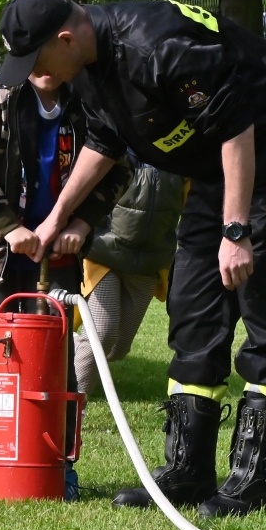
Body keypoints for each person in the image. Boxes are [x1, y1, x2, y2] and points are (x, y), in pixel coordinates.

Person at [0, 0, 266, 518]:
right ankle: (187, 472)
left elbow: (237, 129)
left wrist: (236, 232)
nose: (37, 73)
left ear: (65, 38)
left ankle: (249, 482)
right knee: (193, 308)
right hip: (211, 171)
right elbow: (104, 142)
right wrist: (56, 219)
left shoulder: (158, 46)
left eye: (37, 60)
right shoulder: (91, 68)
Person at [0, 66, 129, 500]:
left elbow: (121, 167)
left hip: (58, 254)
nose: (44, 67)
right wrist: (9, 226)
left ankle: (59, 463)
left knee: (56, 364)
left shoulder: (88, 97)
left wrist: (83, 223)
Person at [73, 157, 187, 398]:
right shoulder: (117, 143)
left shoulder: (180, 151)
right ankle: (73, 408)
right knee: (102, 334)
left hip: (148, 262)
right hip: (103, 253)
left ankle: (69, 348)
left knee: (118, 347)